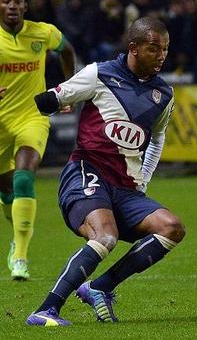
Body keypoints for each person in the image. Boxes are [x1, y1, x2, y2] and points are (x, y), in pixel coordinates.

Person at [26, 16, 185, 326]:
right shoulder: (99, 74)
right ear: (134, 48)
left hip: (125, 188)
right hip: (87, 172)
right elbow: (49, 100)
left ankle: (100, 287)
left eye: (165, 49)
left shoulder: (162, 94)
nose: (162, 55)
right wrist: (54, 98)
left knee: (172, 228)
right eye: (154, 48)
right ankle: (45, 310)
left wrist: (144, 180)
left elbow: (157, 138)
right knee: (106, 235)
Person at [0, 0, 76, 281]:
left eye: (17, 1)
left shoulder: (43, 32)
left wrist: (67, 89)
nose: (12, 6)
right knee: (7, 189)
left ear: (25, 6)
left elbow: (67, 50)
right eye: (6, 1)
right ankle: (15, 241)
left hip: (32, 116)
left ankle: (20, 256)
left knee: (23, 177)